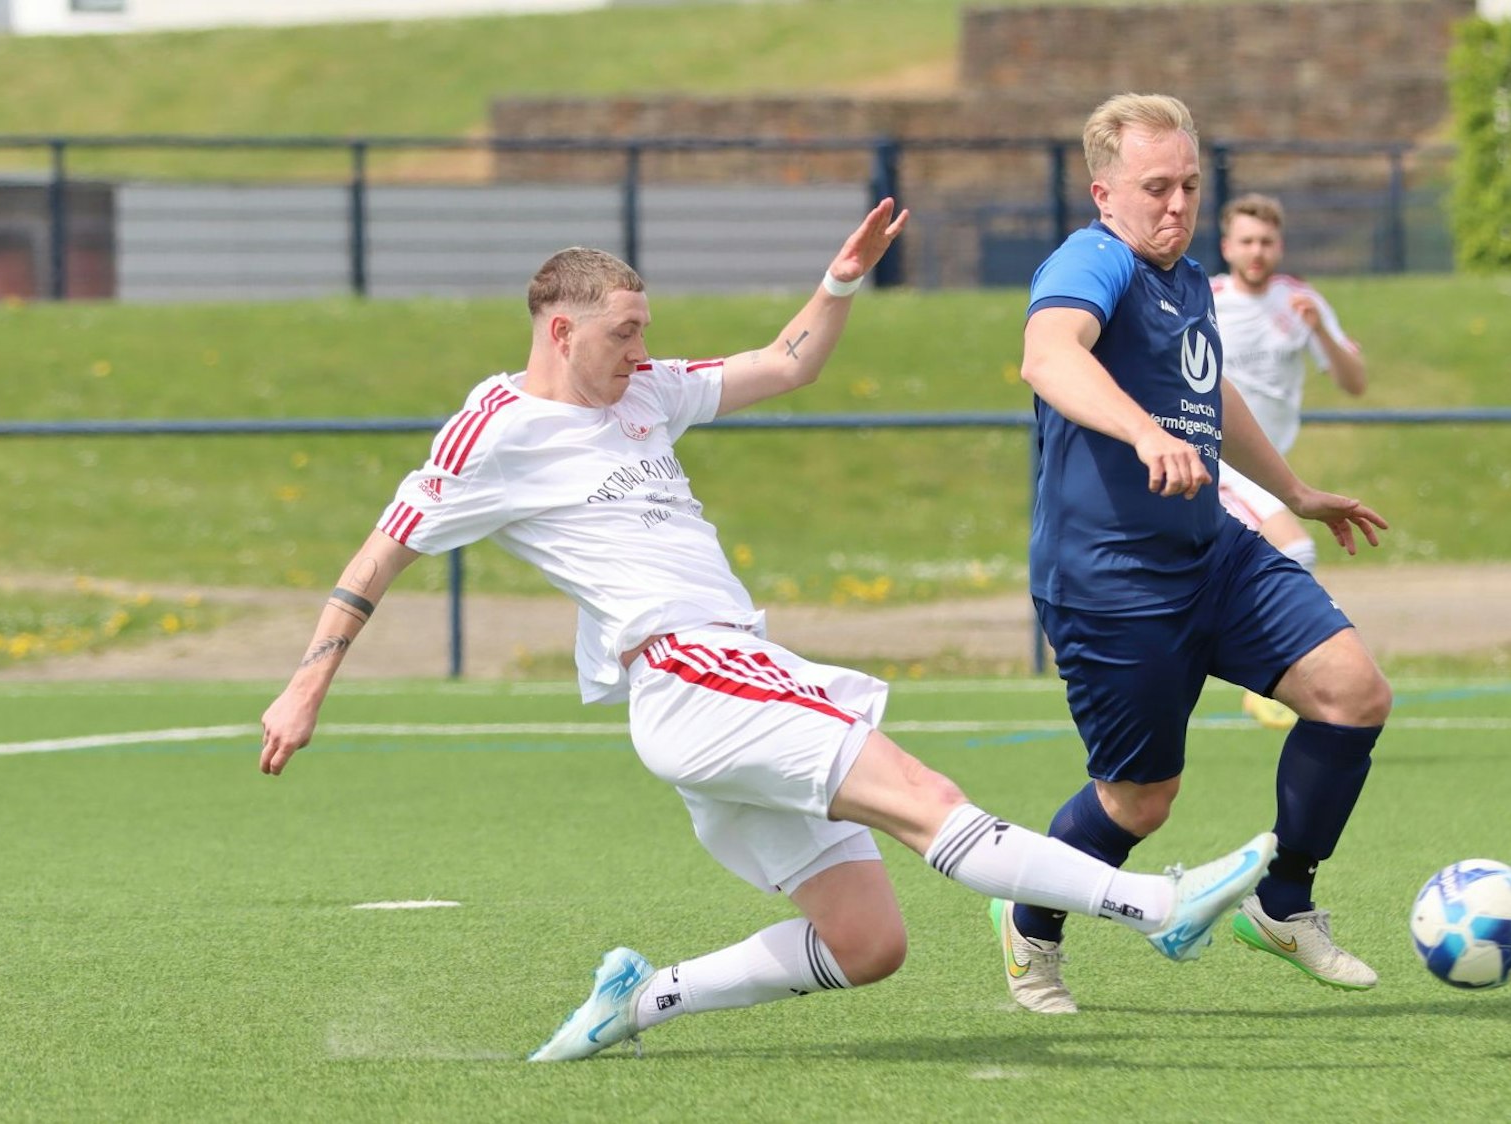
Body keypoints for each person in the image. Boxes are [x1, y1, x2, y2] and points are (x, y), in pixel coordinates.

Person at [257, 198, 1279, 1062]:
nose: (642, 349)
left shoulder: (645, 392)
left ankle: (641, 996)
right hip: (692, 669)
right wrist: (307, 684)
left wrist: (836, 284)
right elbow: (380, 551)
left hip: (721, 684)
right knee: (926, 799)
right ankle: (1157, 903)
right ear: (560, 331)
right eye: (624, 332)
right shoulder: (496, 427)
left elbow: (783, 364)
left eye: (645, 329)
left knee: (866, 940)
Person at [995, 94, 1394, 1014]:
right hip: (1112, 585)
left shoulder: (1187, 280)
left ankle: (1282, 902)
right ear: (1104, 193)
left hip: (1213, 554)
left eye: (1189, 186)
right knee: (1140, 804)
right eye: (1155, 188)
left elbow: (1211, 402)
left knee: (1354, 692)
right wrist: (1141, 435)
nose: (1176, 206)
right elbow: (1049, 355)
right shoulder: (1093, 259)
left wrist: (1294, 492)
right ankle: (1028, 926)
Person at [1210, 192, 1369, 730]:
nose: (1257, 251)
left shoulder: (1301, 300)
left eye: (1267, 241)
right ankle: (1272, 678)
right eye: (1247, 240)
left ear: (1279, 246)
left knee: (1223, 573)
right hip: (1216, 460)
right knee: (1296, 547)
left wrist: (1319, 331)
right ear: (1227, 245)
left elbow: (1355, 382)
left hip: (1267, 466)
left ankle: (1240, 659)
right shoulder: (1203, 299)